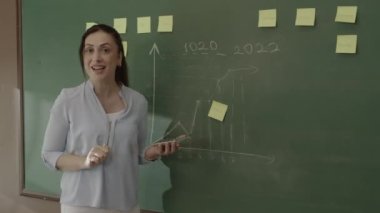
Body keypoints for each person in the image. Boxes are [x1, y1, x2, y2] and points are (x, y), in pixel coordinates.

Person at [41, 24, 180, 213]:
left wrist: (150, 153)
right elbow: (49, 154)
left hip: (125, 205)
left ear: (119, 58)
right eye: (89, 50)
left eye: (105, 50)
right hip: (79, 205)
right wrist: (84, 161)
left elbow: (137, 154)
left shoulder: (138, 102)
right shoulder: (68, 100)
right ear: (83, 58)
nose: (96, 57)